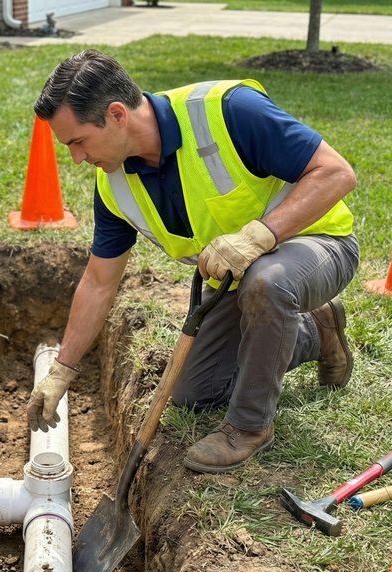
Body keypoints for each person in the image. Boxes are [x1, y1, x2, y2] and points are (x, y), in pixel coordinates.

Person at [26, 49, 359, 474]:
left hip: (315, 243)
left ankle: (249, 427)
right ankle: (316, 330)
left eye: (78, 142)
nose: (76, 158)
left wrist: (261, 235)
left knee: (268, 282)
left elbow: (336, 173)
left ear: (115, 114)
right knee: (196, 392)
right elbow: (98, 282)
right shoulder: (114, 185)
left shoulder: (229, 112)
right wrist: (62, 371)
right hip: (235, 279)